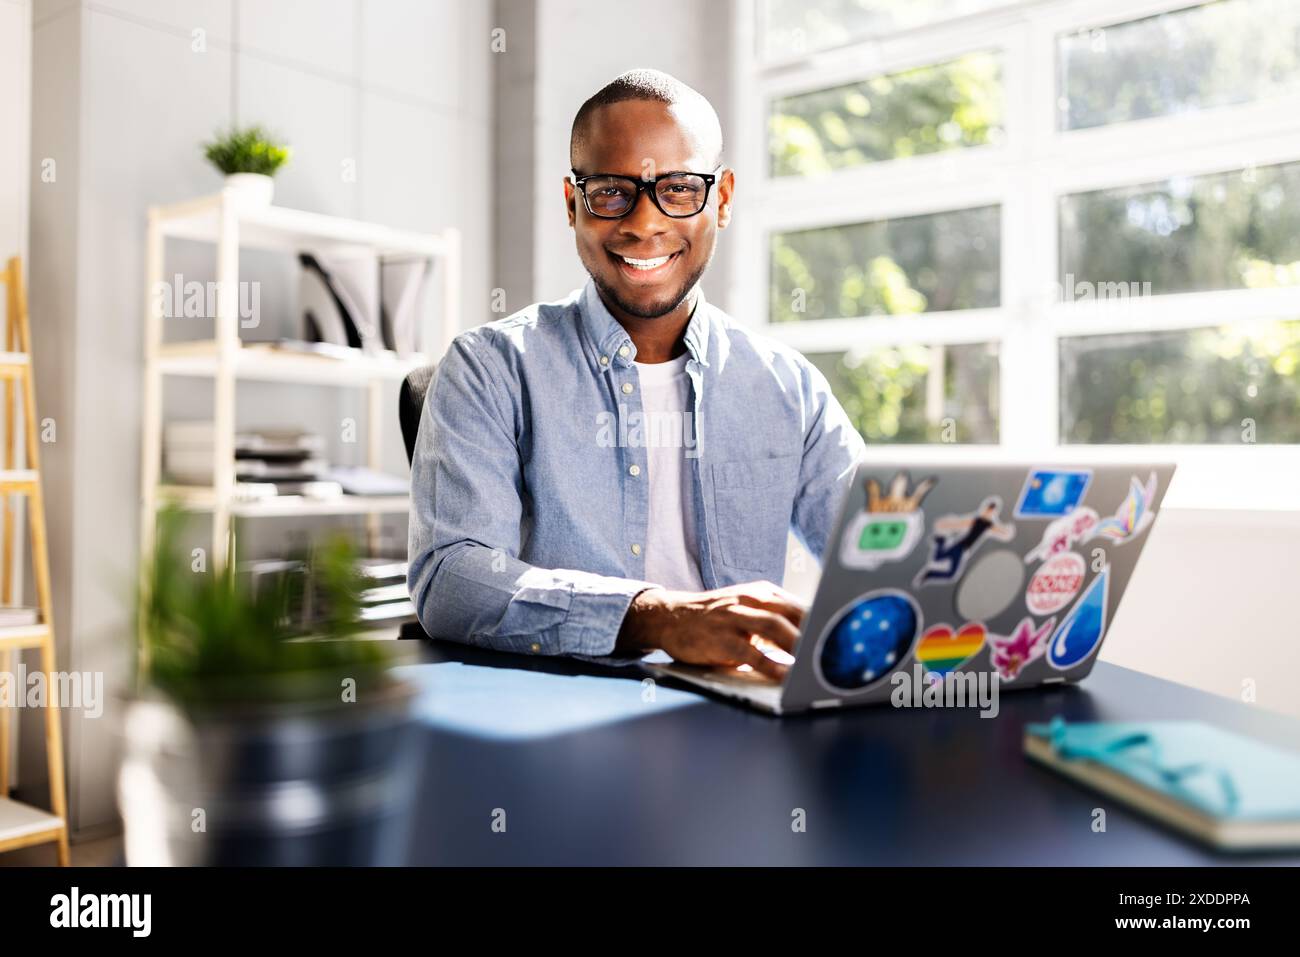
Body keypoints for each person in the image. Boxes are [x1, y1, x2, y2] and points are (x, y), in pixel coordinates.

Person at [407, 69, 865, 680]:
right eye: (611, 192)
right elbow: (452, 580)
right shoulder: (488, 369)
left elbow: (878, 553)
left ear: (722, 200)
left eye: (678, 189)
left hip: (744, 710)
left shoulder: (790, 388)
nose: (644, 224)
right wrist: (659, 617)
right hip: (562, 716)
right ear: (573, 205)